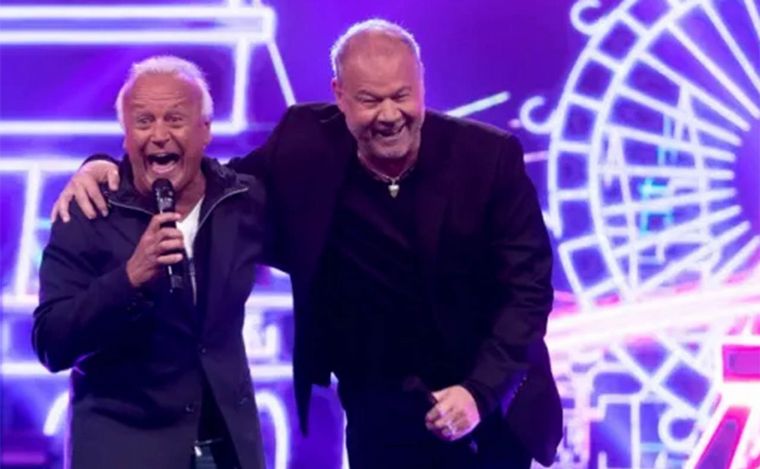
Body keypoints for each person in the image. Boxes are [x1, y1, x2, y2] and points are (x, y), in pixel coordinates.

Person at [52, 19, 562, 469]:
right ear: (339, 95)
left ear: (422, 84)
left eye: (402, 96)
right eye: (370, 100)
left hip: (487, 404)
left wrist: (478, 392)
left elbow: (529, 289)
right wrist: (105, 168)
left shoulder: (488, 159)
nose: (389, 115)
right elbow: (213, 184)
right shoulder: (305, 141)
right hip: (380, 411)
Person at [36, 56, 267, 469]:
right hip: (125, 451)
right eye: (143, 122)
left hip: (224, 450)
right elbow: (51, 342)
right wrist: (128, 279)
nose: (159, 136)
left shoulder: (242, 201)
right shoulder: (89, 210)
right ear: (125, 135)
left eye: (175, 119)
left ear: (205, 129)